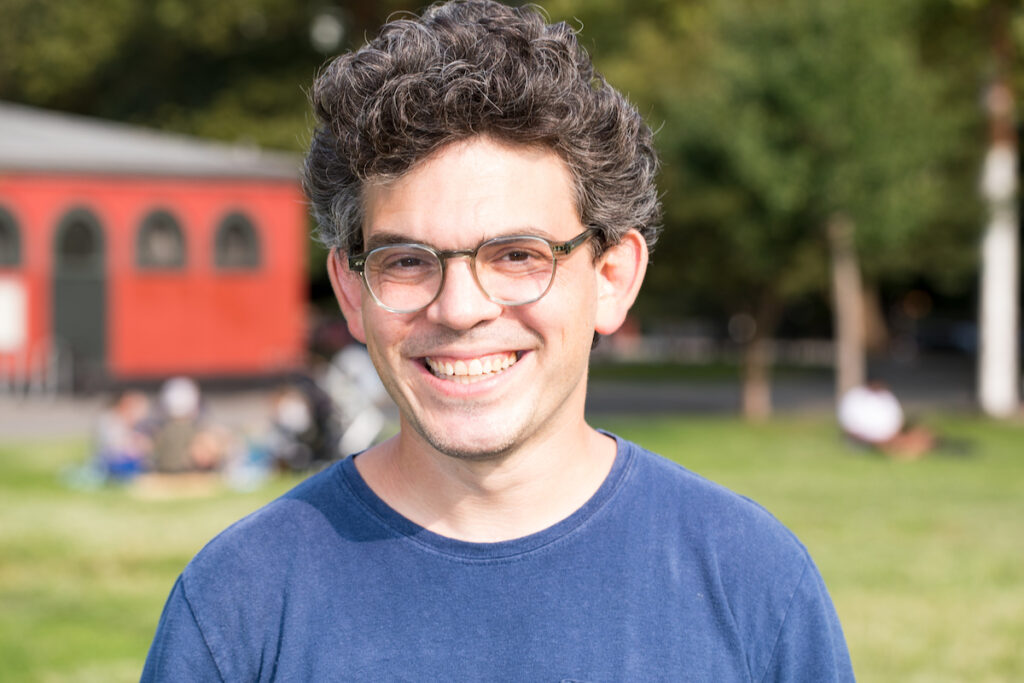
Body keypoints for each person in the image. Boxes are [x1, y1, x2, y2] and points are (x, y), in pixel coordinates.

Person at [142, 2, 854, 679]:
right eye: (408, 260)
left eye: (517, 255)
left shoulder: (754, 586)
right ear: (352, 289)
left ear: (612, 276)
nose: (459, 308)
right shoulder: (239, 604)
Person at [838, 380, 936, 459]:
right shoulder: (856, 397)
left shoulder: (886, 397)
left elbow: (897, 420)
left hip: (889, 435)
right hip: (866, 437)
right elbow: (850, 424)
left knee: (921, 435)